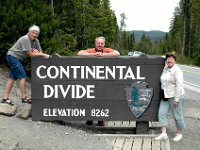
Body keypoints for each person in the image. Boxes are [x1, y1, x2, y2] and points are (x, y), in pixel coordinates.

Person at [1, 25, 50, 105]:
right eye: (33, 33)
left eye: (36, 34)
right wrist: (43, 54)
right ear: (29, 32)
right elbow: (31, 54)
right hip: (12, 57)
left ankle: (5, 98)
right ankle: (24, 97)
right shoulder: (25, 39)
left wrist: (38, 51)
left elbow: (40, 51)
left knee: (12, 77)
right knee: (23, 76)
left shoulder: (36, 41)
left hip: (17, 59)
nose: (34, 35)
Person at [77, 36, 120, 126]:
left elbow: (117, 53)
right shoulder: (91, 50)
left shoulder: (107, 50)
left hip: (103, 80)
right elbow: (80, 53)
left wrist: (103, 55)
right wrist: (93, 55)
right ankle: (89, 118)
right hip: (91, 79)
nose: (100, 45)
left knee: (102, 99)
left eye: (101, 43)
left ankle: (101, 119)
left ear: (104, 44)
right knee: (90, 99)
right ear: (95, 43)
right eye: (98, 43)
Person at [155, 53, 185, 142]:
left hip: (175, 96)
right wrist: (163, 58)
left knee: (177, 116)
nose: (169, 60)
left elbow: (179, 85)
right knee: (161, 113)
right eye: (168, 59)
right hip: (165, 96)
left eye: (171, 59)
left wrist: (176, 99)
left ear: (175, 61)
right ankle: (163, 133)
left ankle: (179, 133)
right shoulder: (166, 69)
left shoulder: (177, 70)